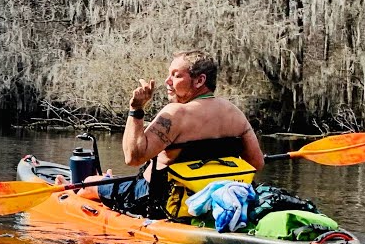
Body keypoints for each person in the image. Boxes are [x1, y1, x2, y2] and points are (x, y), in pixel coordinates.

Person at [88, 50, 264, 214]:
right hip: (213, 196)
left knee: (89, 182)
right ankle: (108, 179)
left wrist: (136, 109)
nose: (167, 81)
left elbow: (133, 158)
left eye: (176, 75)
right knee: (110, 180)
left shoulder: (175, 114)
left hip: (161, 200)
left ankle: (90, 184)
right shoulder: (235, 113)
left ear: (199, 81)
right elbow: (256, 163)